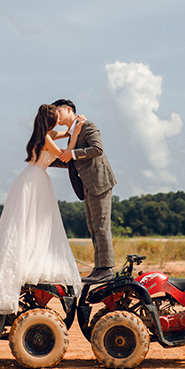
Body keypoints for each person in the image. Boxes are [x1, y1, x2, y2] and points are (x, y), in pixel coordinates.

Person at [0, 104, 83, 330]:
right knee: (32, 225)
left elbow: (65, 133)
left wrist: (75, 127)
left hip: (32, 180)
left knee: (30, 226)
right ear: (50, 120)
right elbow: (64, 156)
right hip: (35, 182)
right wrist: (76, 134)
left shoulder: (43, 135)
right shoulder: (45, 138)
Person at [51, 99, 117, 285]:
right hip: (88, 184)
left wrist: (70, 154)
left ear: (69, 109)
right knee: (94, 227)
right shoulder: (72, 133)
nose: (56, 116)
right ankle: (100, 267)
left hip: (99, 181)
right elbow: (70, 160)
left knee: (101, 225)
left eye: (58, 111)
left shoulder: (88, 126)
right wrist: (44, 159)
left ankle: (106, 269)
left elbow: (97, 149)